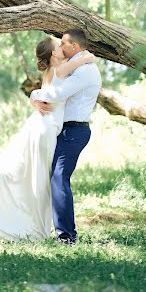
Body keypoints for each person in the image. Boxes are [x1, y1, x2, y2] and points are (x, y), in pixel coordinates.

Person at [0, 37, 95, 241]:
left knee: (31, 176)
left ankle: (40, 225)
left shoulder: (52, 71)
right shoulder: (60, 69)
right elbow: (85, 59)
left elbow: (48, 92)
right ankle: (37, 227)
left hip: (44, 126)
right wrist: (87, 56)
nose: (61, 47)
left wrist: (34, 96)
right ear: (53, 54)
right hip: (47, 128)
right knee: (36, 178)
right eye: (58, 46)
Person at [30, 28, 102, 245]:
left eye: (63, 44)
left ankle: (66, 236)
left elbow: (58, 93)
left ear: (75, 47)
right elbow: (56, 78)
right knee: (55, 177)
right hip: (64, 129)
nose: (59, 48)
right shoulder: (75, 66)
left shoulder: (85, 71)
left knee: (59, 177)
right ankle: (63, 232)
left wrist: (34, 95)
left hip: (75, 131)